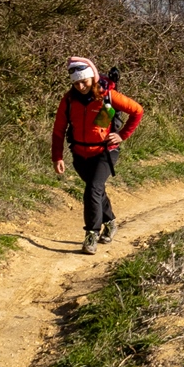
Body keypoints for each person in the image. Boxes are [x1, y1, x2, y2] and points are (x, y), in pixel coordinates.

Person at [51, 56, 144, 254]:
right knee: (96, 190)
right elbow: (58, 130)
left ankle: (91, 234)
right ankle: (110, 222)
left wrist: (122, 135)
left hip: (105, 152)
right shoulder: (68, 100)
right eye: (76, 83)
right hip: (79, 154)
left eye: (83, 81)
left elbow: (137, 111)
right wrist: (57, 156)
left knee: (92, 190)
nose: (80, 86)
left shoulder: (108, 96)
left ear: (92, 78)